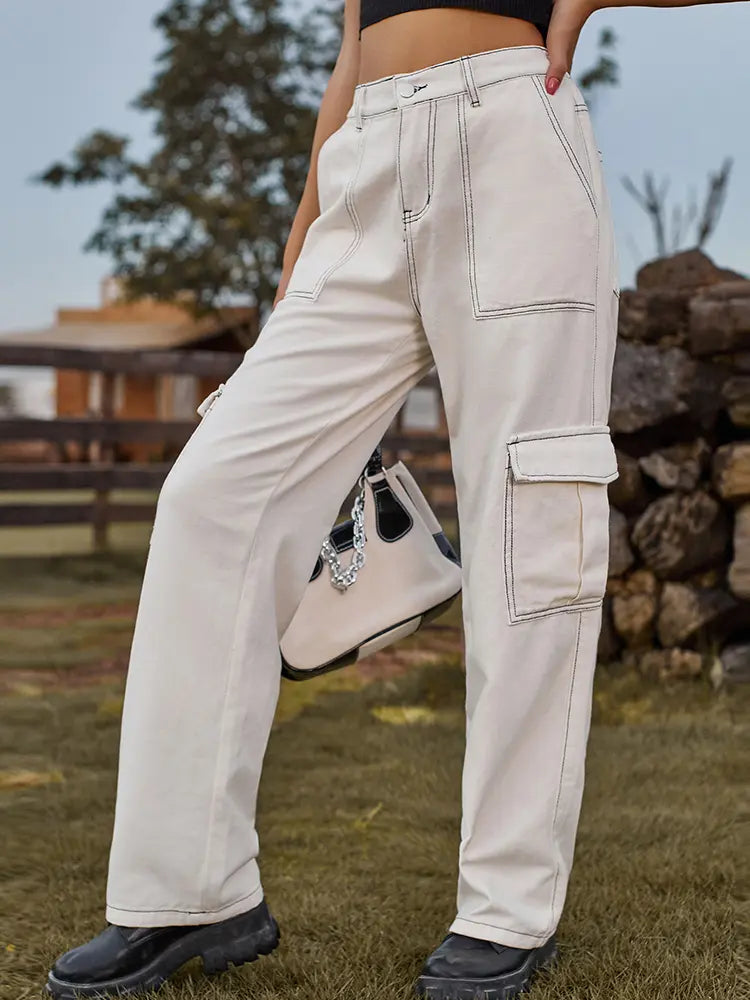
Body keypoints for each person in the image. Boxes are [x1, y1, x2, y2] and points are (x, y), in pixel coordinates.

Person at [45, 1, 731, 998]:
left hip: (511, 137)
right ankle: (188, 888)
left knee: (528, 520)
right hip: (363, 160)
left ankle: (506, 907)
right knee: (212, 496)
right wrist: (304, 240)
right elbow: (351, 39)